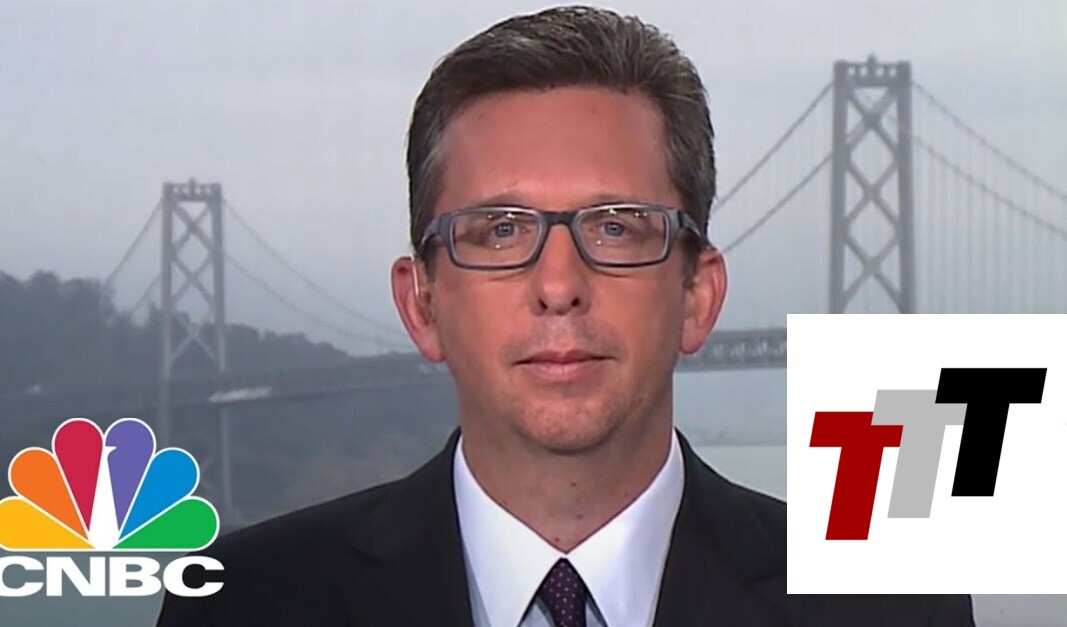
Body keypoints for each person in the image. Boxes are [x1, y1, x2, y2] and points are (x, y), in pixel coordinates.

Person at [157, 6, 975, 626]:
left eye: (615, 227)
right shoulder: (240, 602)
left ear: (696, 295)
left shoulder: (895, 607)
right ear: (421, 304)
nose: (557, 284)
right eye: (499, 230)